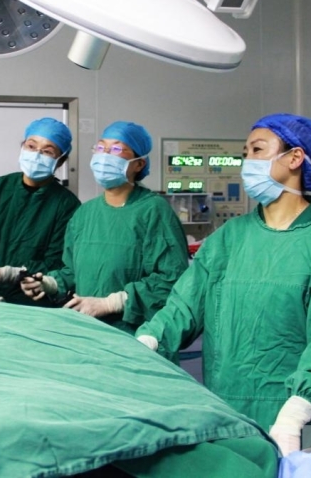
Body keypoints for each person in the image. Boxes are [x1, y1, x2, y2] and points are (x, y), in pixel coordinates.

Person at [134, 113, 311, 456]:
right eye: (245, 153)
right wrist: (150, 339)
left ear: (295, 158)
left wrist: (296, 413)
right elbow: (185, 304)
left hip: (299, 422)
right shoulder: (231, 236)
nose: (248, 161)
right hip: (228, 408)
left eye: (258, 150)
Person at [21, 121, 188, 334]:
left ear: (139, 164)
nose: (105, 156)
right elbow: (73, 271)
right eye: (100, 147)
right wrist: (49, 283)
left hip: (133, 334)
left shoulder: (153, 211)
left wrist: (112, 303)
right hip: (87, 329)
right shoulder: (85, 213)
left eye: (116, 149)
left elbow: (172, 279)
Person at [0, 117, 81, 305]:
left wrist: (12, 274)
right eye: (31, 146)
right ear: (22, 147)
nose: (37, 155)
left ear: (60, 160)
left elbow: (57, 262)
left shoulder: (66, 205)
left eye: (47, 151)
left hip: (33, 301)